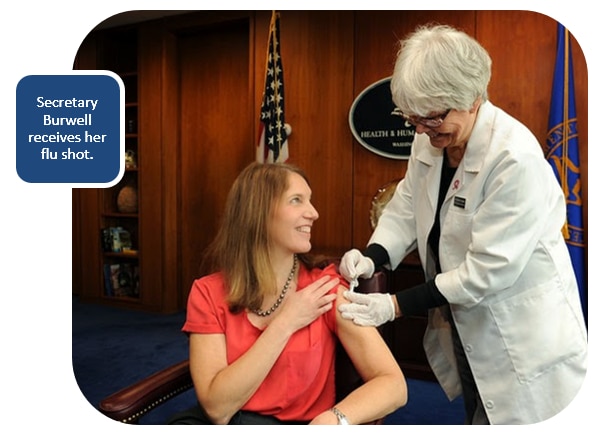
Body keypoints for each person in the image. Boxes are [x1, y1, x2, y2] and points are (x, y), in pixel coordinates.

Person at [338, 24, 587, 425]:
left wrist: (395, 305)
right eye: (412, 118)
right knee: (478, 411)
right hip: (465, 323)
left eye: (431, 118)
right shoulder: (431, 138)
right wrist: (373, 257)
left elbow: (485, 272)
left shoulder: (513, 159)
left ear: (472, 99)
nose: (420, 129)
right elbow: (406, 203)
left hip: (521, 334)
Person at [169, 161, 407, 425]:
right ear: (257, 213)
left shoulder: (324, 289)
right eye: (296, 200)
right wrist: (286, 322)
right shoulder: (208, 292)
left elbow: (394, 385)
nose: (314, 213)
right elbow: (217, 408)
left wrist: (333, 420)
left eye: (310, 200)